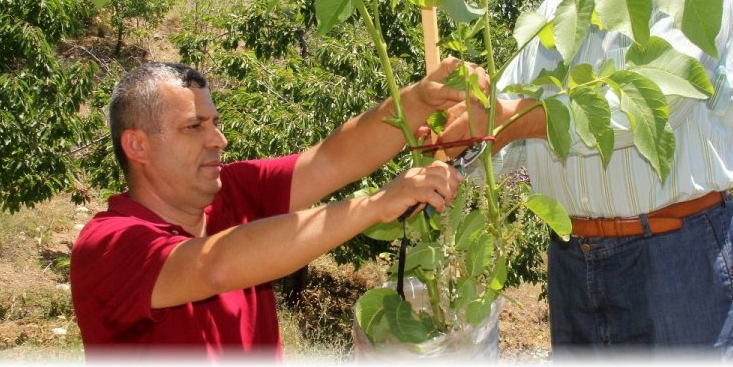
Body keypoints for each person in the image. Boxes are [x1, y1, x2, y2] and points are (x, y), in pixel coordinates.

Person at [441, 0, 733, 359]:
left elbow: (639, 110)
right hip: (573, 262)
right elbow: (508, 141)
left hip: (676, 257)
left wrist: (504, 119)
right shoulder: (550, 16)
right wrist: (456, 145)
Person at [70, 57, 481, 360]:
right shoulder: (109, 244)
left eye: (215, 122)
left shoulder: (231, 191)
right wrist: (375, 205)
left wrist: (420, 98)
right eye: (194, 127)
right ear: (137, 145)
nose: (219, 139)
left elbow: (333, 159)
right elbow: (214, 265)